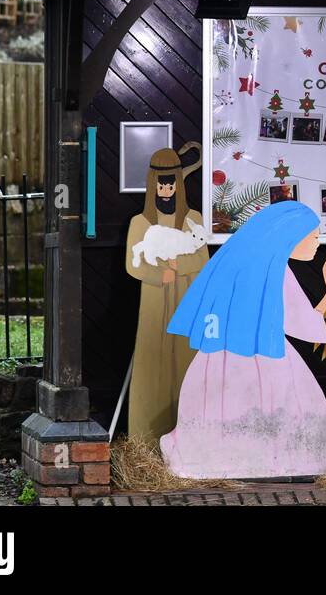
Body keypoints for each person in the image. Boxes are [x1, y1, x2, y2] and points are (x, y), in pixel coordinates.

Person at [160, 200, 326, 479]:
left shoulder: (237, 263)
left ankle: (215, 460)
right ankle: (274, 463)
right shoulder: (276, 271)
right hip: (265, 356)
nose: (317, 244)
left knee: (220, 410)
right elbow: (302, 324)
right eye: (314, 237)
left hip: (218, 357)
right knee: (286, 405)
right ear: (290, 236)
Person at [123, 143, 210, 442]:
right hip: (155, 301)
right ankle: (147, 441)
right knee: (153, 363)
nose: (166, 189)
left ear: (177, 184)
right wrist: (162, 274)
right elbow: (133, 267)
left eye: (171, 183)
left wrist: (179, 265)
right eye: (161, 184)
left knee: (187, 361)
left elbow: (202, 259)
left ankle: (190, 438)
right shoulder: (140, 223)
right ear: (153, 185)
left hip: (187, 300)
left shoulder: (193, 219)